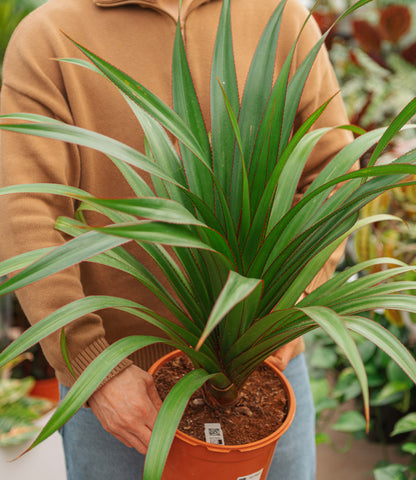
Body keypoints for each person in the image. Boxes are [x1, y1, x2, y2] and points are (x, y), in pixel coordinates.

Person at [0, 0, 352, 478]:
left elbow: (332, 176)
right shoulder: (51, 34)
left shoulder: (280, 15)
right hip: (124, 394)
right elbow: (28, 214)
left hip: (265, 369)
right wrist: (92, 367)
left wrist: (289, 311)